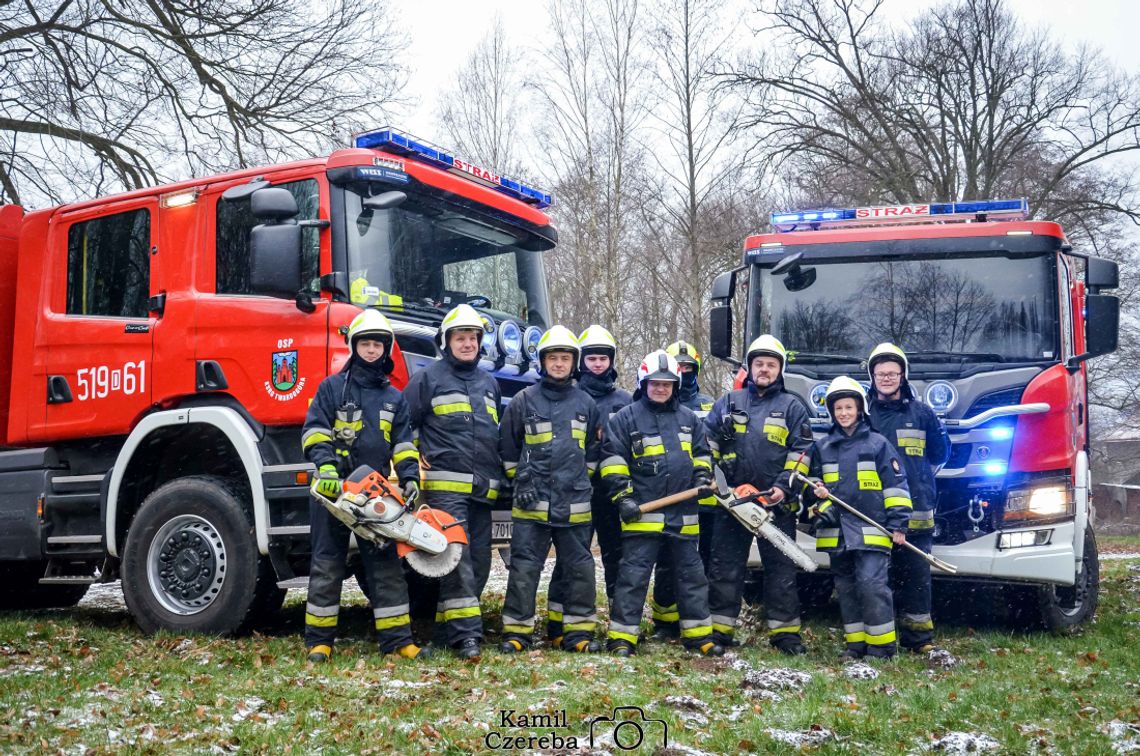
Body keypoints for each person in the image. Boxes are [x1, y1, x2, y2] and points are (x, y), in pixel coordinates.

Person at [300, 310, 427, 663]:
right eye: (365, 343)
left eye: (377, 344)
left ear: (386, 350)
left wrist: (411, 477)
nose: (371, 350)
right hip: (333, 490)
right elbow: (314, 431)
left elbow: (403, 444)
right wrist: (325, 466)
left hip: (376, 493)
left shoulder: (394, 397)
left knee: (385, 566)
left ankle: (398, 641)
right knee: (327, 563)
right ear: (354, 346)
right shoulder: (330, 388)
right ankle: (319, 642)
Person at [600, 350, 723, 658]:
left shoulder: (689, 419)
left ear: (675, 385)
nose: (661, 388)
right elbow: (613, 462)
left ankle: (698, 636)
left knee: (692, 576)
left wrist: (701, 479)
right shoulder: (625, 419)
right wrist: (622, 498)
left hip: (683, 515)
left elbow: (703, 455)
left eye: (667, 384)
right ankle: (622, 639)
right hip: (643, 515)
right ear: (643, 383)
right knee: (633, 578)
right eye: (655, 383)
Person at [403, 303, 503, 659]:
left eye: (473, 337)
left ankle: (451, 629)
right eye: (461, 337)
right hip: (445, 490)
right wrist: (413, 457)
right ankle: (467, 638)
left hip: (482, 489)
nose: (468, 343)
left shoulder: (488, 382)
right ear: (446, 342)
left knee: (480, 561)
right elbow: (404, 425)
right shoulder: (427, 379)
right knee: (457, 560)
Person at [704, 335, 814, 654]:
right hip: (732, 502)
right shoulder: (728, 402)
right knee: (725, 567)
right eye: (759, 364)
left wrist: (781, 488)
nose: (764, 370)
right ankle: (720, 631)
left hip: (775, 503)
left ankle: (785, 635)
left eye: (770, 365)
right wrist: (726, 485)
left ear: (780, 370)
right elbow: (705, 449)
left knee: (781, 570)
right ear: (750, 368)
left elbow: (802, 453)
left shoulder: (792, 407)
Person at [499, 326, 602, 654]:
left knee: (580, 570)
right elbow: (506, 447)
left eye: (565, 358)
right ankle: (517, 633)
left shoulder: (587, 403)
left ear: (574, 363)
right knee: (524, 569)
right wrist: (521, 478)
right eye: (553, 358)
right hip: (531, 505)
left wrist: (579, 480)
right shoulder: (523, 401)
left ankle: (578, 634)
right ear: (543, 362)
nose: (559, 363)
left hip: (575, 505)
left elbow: (594, 452)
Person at [805, 376, 913, 660]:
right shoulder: (823, 446)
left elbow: (897, 487)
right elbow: (810, 479)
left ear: (860, 409)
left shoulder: (878, 444)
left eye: (848, 407)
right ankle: (856, 646)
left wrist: (899, 523)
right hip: (837, 532)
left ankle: (883, 648)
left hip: (872, 529)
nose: (843, 413)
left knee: (871, 586)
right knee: (846, 589)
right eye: (838, 408)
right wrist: (815, 491)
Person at [546, 325, 631, 643]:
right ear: (582, 362)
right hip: (577, 492)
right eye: (592, 358)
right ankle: (557, 623)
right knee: (572, 559)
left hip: (613, 494)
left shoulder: (625, 400)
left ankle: (620, 623)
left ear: (611, 361)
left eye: (602, 359)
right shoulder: (571, 398)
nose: (597, 364)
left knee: (617, 558)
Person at [866, 343, 950, 653]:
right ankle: (880, 637)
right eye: (880, 373)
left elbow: (941, 453)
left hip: (917, 509)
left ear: (903, 376)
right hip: (873, 511)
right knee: (875, 578)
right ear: (872, 376)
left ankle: (919, 640)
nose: (886, 378)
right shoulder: (863, 412)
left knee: (916, 577)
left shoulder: (923, 413)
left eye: (892, 373)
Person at [650, 340, 718, 639]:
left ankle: (701, 620)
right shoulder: (660, 404)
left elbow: (714, 449)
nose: (686, 372)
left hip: (705, 499)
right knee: (666, 562)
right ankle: (665, 621)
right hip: (671, 497)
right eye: (682, 368)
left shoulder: (711, 405)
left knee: (700, 564)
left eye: (690, 368)